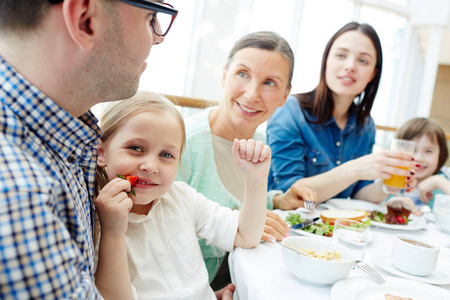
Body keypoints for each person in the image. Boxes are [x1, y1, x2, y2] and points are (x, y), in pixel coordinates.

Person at [0, 0, 175, 298]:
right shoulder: (20, 196)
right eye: (151, 17)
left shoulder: (64, 141)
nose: (158, 37)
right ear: (85, 19)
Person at [94, 91, 270, 299]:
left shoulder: (183, 198)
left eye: (166, 155)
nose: (151, 166)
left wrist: (256, 180)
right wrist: (112, 233)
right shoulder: (97, 221)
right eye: (136, 148)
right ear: (102, 152)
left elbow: (246, 235)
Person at [175, 31, 317, 288]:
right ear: (224, 75)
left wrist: (278, 200)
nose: (252, 94)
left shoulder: (261, 141)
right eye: (243, 74)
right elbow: (162, 231)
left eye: (270, 82)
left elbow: (241, 198)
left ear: (286, 95)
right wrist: (238, 222)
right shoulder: (182, 143)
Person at [266, 22, 417, 204]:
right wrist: (355, 169)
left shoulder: (365, 126)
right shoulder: (290, 112)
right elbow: (289, 192)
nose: (350, 66)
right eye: (341, 55)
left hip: (332, 228)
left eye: (363, 61)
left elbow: (360, 194)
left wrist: (388, 183)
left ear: (372, 74)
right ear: (326, 61)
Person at [384, 117, 449, 213]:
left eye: (428, 151)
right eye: (412, 150)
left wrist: (439, 181)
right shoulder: (392, 180)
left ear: (441, 155)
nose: (419, 158)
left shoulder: (442, 182)